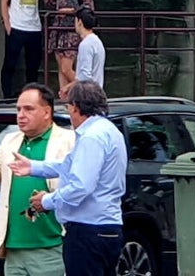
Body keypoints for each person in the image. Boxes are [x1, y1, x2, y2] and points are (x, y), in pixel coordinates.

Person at [10, 80, 127, 276]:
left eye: (68, 106)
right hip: (109, 227)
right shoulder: (109, 131)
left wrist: (46, 201)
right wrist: (34, 167)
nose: (69, 112)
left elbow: (81, 186)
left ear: (76, 107)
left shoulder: (91, 137)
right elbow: (68, 165)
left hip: (87, 230)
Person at [0, 83, 76, 275]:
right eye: (18, 109)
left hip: (51, 246)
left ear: (46, 112)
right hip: (14, 249)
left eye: (29, 109)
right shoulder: (10, 140)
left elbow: (79, 186)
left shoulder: (69, 140)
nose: (21, 115)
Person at [0, 0, 48, 98]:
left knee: (32, 66)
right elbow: (3, 2)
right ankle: (8, 97)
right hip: (16, 26)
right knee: (10, 64)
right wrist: (8, 25)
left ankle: (31, 97)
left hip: (34, 27)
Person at [43, 0, 94, 95]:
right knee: (60, 68)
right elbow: (48, 2)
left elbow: (88, 6)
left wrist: (71, 11)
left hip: (72, 29)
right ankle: (65, 99)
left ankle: (86, 90)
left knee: (66, 67)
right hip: (58, 30)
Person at [59, 8, 105, 98]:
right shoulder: (97, 42)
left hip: (87, 95)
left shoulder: (86, 44)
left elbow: (85, 76)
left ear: (79, 22)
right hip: (96, 91)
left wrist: (68, 87)